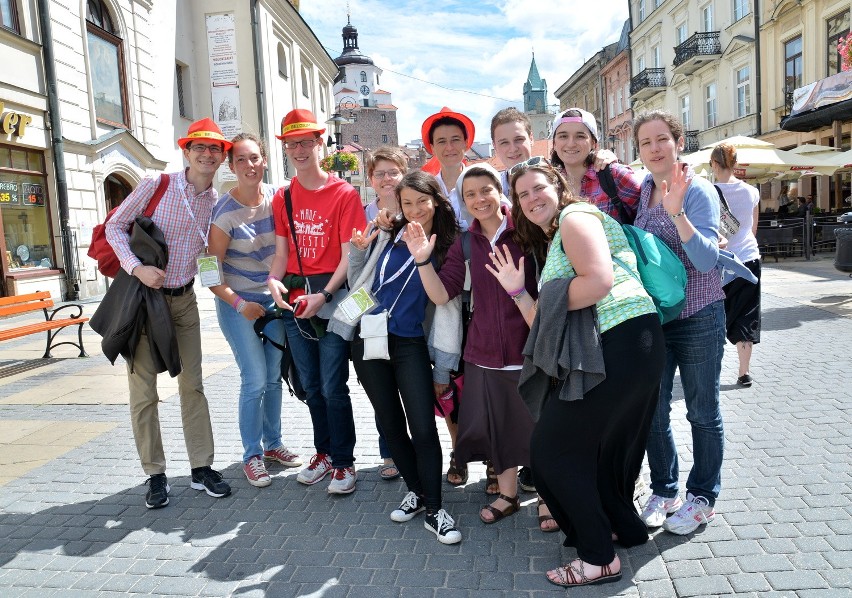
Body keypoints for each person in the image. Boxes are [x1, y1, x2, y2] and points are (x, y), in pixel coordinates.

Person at [497, 157, 664, 587]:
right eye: (522, 194)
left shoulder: (575, 215)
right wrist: (519, 292)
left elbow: (600, 282)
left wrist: (547, 292)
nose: (532, 198)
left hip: (622, 340)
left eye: (539, 188)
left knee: (551, 451)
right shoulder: (556, 238)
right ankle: (622, 529)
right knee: (600, 448)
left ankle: (598, 558)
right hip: (624, 344)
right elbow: (547, 324)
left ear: (557, 185)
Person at [404, 163, 558, 531]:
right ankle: (507, 496)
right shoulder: (466, 242)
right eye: (469, 195)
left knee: (543, 428)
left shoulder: (527, 230)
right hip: (484, 354)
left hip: (531, 348)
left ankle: (550, 497)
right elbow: (441, 293)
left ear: (500, 190)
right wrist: (422, 258)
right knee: (499, 429)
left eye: (485, 190)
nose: (478, 200)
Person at [101, 117, 233, 508]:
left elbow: (211, 253)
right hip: (144, 300)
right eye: (200, 148)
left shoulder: (216, 200)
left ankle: (201, 468)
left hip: (185, 301)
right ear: (186, 152)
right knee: (144, 390)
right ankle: (155, 474)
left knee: (192, 384)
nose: (208, 155)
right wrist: (136, 267)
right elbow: (115, 226)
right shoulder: (155, 185)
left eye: (215, 149)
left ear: (221, 157)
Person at [330, 170, 464, 544]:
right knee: (390, 423)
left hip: (409, 342)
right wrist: (358, 251)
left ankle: (436, 509)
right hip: (368, 337)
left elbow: (446, 299)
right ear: (398, 205)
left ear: (436, 199)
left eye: (423, 200)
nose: (416, 209)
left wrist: (423, 259)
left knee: (422, 426)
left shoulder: (449, 243)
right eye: (407, 203)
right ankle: (418, 492)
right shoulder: (389, 233)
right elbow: (361, 281)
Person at [633, 110, 727, 535]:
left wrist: (678, 214)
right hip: (658, 318)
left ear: (677, 142)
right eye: (645, 143)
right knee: (652, 411)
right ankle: (665, 489)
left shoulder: (698, 190)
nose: (654, 149)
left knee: (702, 412)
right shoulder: (644, 190)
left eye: (661, 140)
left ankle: (703, 496)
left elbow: (708, 260)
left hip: (700, 316)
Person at [267, 109, 366, 495]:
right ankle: (323, 452)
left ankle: (344, 461)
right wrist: (273, 280)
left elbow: (348, 257)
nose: (299, 149)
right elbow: (280, 253)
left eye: (306, 141)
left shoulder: (343, 193)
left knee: (332, 383)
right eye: (292, 143)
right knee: (308, 383)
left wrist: (323, 294)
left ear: (319, 142)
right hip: (294, 301)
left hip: (332, 297)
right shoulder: (284, 196)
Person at [207, 133, 302, 488]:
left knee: (273, 377)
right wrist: (238, 303)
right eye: (241, 160)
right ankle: (251, 455)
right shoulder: (225, 212)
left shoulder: (277, 198)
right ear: (232, 166)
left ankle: (273, 444)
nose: (249, 165)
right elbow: (208, 270)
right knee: (254, 379)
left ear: (264, 160)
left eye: (255, 158)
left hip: (272, 300)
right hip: (239, 302)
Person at [489, 108, 538, 495]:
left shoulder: (544, 180)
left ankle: (542, 470)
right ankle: (527, 468)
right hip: (516, 299)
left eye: (518, 139)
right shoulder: (498, 189)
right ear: (494, 148)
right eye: (503, 142)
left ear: (531, 138)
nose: (512, 148)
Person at [363, 146, 409, 481]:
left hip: (407, 314)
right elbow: (356, 264)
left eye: (393, 172)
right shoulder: (364, 212)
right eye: (380, 173)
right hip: (374, 315)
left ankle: (414, 449)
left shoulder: (413, 210)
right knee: (383, 391)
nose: (387, 179)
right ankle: (389, 451)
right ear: (371, 180)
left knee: (410, 390)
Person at [711, 143, 761, 388]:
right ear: (736, 163)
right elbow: (752, 229)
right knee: (747, 315)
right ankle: (744, 373)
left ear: (714, 164)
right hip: (749, 259)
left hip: (720, 263)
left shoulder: (707, 192)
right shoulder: (751, 192)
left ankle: (711, 370)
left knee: (716, 316)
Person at [550, 108, 640, 223]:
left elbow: (649, 216)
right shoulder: (550, 185)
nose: (571, 143)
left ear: (594, 143)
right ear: (554, 144)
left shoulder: (614, 175)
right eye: (563, 136)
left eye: (580, 136)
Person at [421, 107, 476, 228]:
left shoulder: (481, 181)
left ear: (465, 143)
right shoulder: (427, 188)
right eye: (441, 141)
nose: (449, 147)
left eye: (455, 140)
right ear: (433, 148)